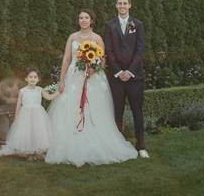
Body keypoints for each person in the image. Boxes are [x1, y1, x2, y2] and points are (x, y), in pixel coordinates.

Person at [45, 9, 138, 166]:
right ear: (78, 20)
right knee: (71, 108)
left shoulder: (97, 38)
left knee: (94, 109)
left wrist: (93, 68)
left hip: (93, 78)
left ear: (91, 20)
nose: (83, 20)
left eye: (86, 17)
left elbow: (102, 60)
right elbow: (67, 59)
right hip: (74, 77)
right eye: (80, 17)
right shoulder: (72, 37)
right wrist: (61, 80)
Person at [103, 0, 149, 158]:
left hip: (134, 77)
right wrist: (118, 71)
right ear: (116, 6)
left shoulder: (137, 24)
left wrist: (129, 71)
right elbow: (108, 50)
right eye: (119, 3)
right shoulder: (110, 25)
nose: (122, 6)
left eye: (125, 3)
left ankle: (141, 145)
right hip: (116, 77)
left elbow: (140, 49)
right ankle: (119, 145)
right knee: (117, 112)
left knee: (137, 111)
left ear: (130, 5)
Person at [0, 68, 57, 158]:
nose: (33, 79)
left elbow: (49, 97)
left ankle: (36, 152)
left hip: (38, 114)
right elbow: (18, 105)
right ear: (26, 79)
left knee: (37, 132)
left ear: (38, 79)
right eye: (30, 77)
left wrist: (59, 92)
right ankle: (29, 153)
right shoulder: (23, 91)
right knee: (27, 132)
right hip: (25, 115)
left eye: (35, 77)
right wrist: (17, 118)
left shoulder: (40, 90)